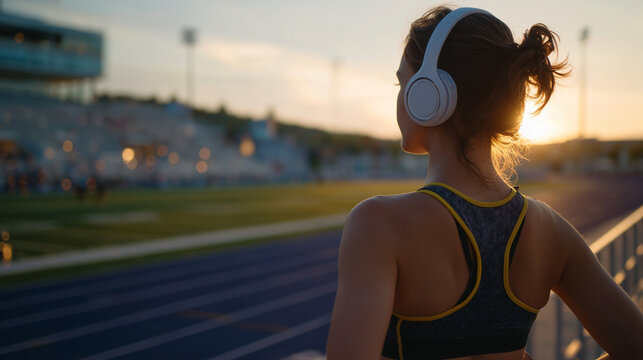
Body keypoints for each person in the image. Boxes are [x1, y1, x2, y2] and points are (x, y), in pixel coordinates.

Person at [326, 6, 643, 360]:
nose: (400, 97)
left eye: (404, 83)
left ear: (429, 95)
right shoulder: (551, 229)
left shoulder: (377, 225)